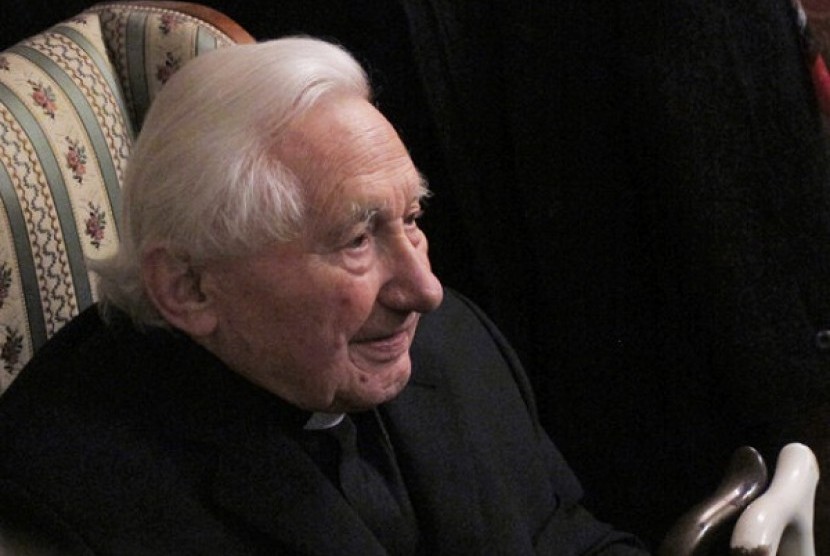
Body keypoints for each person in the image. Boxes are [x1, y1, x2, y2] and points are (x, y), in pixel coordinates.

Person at [0, 38, 647, 555]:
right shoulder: (68, 498)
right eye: (357, 239)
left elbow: (569, 536)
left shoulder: (455, 344)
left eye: (413, 220)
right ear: (189, 287)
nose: (424, 290)